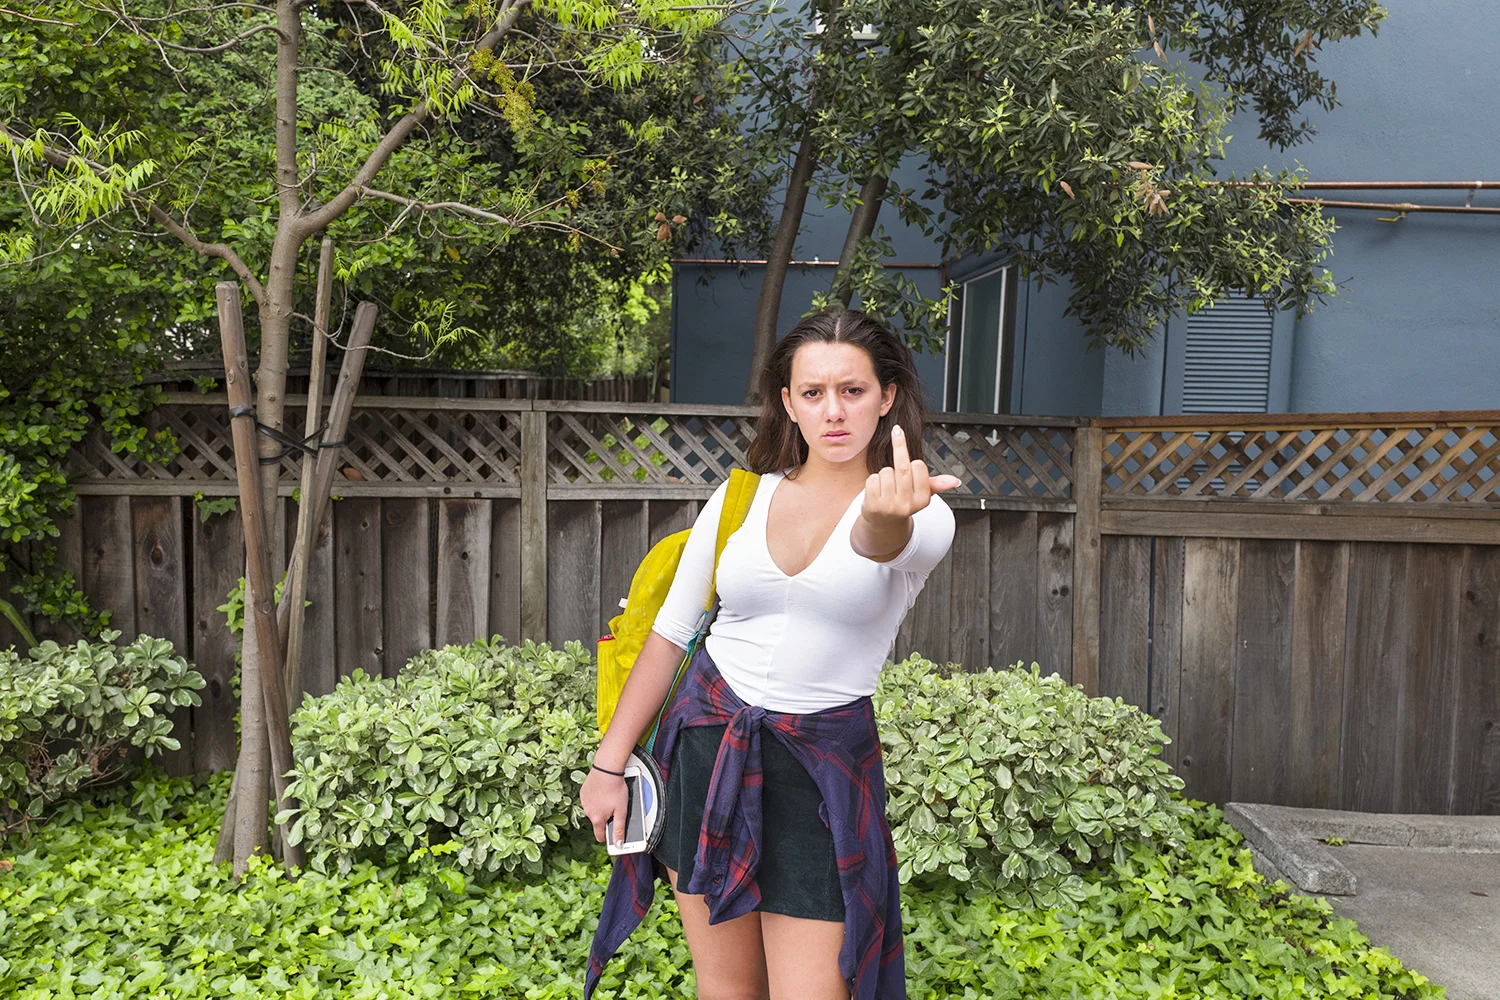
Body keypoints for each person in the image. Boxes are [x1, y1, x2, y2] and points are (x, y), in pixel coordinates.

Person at [580, 308, 959, 1000]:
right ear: (789, 402)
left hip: (820, 776)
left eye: (852, 390)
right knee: (726, 990)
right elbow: (670, 633)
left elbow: (882, 544)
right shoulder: (742, 497)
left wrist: (881, 515)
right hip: (707, 752)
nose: (833, 411)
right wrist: (609, 765)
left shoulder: (920, 511)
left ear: (887, 396)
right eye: (813, 392)